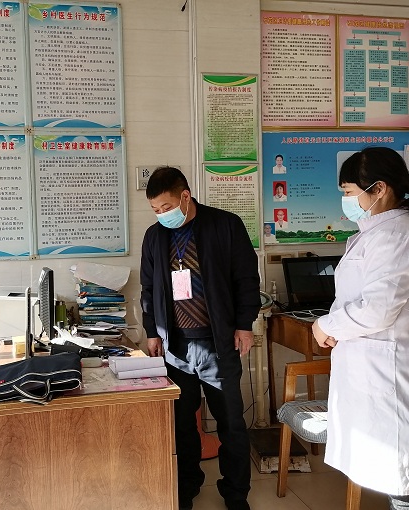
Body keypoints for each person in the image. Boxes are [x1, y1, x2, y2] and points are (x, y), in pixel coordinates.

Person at [312, 147, 409, 510]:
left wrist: (325, 325)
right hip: (372, 376)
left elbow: (377, 309)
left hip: (392, 380)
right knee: (395, 481)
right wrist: (334, 326)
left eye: (349, 192)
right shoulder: (378, 231)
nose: (345, 201)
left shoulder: (399, 235)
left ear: (379, 188)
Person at [140, 166, 260, 510]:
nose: (162, 214)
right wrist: (152, 332)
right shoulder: (154, 236)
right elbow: (148, 288)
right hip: (175, 346)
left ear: (185, 196)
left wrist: (244, 324)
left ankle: (235, 493)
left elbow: (246, 278)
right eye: (156, 210)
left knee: (231, 423)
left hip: (217, 343)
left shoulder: (225, 225)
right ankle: (187, 486)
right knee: (181, 424)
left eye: (166, 207)